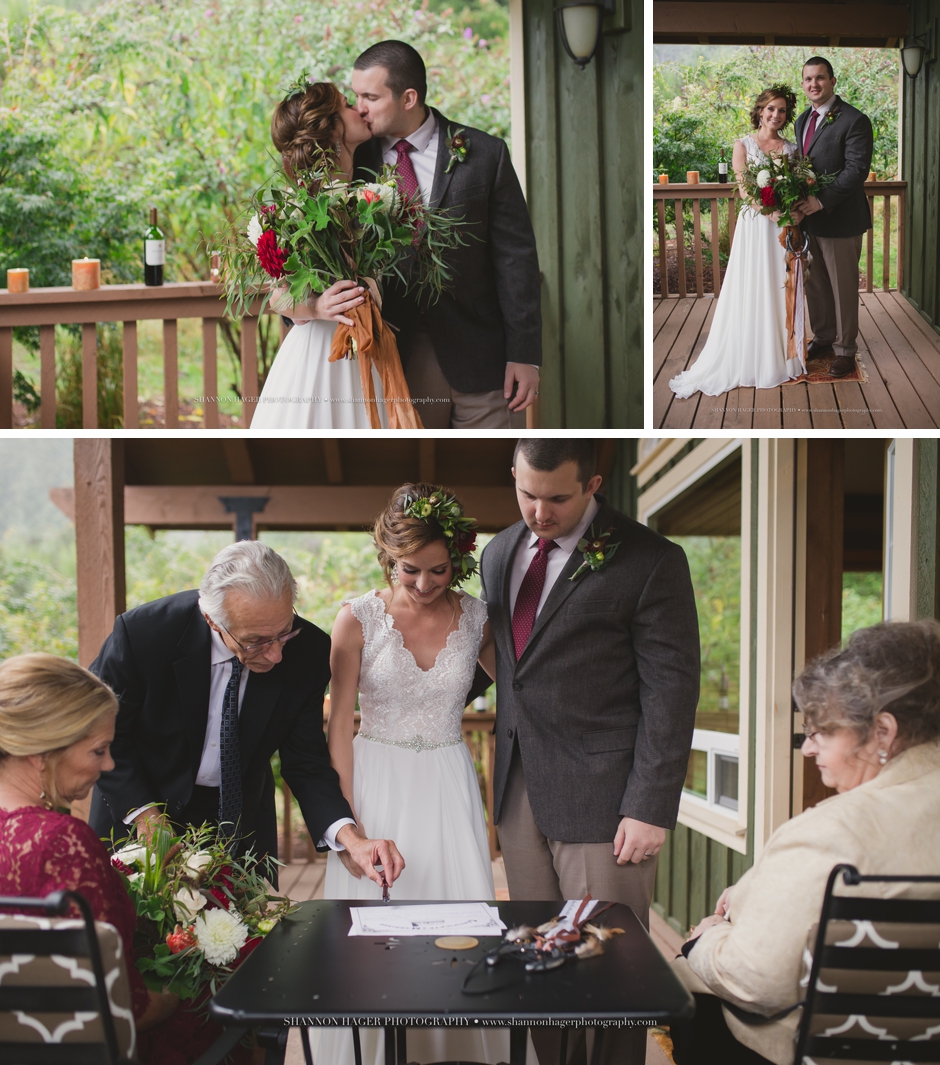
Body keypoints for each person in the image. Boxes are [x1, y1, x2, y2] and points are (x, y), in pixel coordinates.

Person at [479, 438, 701, 1065]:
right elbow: (509, 666)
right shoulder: (498, 552)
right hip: (519, 789)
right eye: (527, 494)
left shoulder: (652, 560)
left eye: (557, 498)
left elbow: (671, 690)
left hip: (609, 800)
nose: (539, 513)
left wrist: (652, 805)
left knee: (608, 966)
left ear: (594, 484)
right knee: (536, 954)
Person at [670, 620, 940, 1065]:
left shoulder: (834, 831)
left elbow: (753, 982)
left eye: (823, 732)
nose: (808, 749)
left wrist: (707, 940)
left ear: (883, 733)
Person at [314, 483, 509, 1065]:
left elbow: (526, 688)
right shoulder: (357, 619)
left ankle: (452, 1049)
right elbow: (339, 726)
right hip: (377, 781)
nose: (425, 584)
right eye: (410, 571)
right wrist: (348, 824)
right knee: (379, 927)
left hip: (448, 784)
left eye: (440, 570)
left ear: (459, 559)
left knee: (457, 917)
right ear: (387, 559)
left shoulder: (478, 618)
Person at [88, 540, 404, 892]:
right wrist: (147, 819)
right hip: (139, 810)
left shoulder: (309, 652)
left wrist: (352, 838)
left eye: (284, 633)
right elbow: (102, 733)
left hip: (238, 827)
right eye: (255, 642)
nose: (275, 657)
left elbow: (306, 763)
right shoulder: (143, 635)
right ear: (212, 619)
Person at [352, 40, 542, 429]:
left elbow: (516, 258)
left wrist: (525, 354)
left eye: (370, 96)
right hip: (397, 356)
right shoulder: (352, 162)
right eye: (356, 96)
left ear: (408, 97)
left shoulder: (486, 154)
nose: (359, 108)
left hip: (483, 354)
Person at [0, 654, 178, 1059]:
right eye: (98, 750)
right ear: (40, 753)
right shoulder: (62, 842)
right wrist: (181, 994)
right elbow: (125, 1008)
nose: (110, 764)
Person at [249, 81, 392, 430]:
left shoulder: (370, 198)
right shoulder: (289, 212)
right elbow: (278, 297)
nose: (359, 109)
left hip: (371, 347)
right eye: (347, 104)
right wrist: (316, 307)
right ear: (331, 129)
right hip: (317, 355)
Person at [669, 86, 805, 400]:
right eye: (771, 109)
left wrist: (791, 212)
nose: (775, 115)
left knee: (780, 284)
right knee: (754, 285)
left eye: (782, 110)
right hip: (757, 225)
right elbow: (745, 189)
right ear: (760, 110)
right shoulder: (742, 144)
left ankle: (780, 355)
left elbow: (798, 188)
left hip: (783, 225)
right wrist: (770, 214)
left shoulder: (792, 149)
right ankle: (751, 356)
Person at [792, 56, 874, 378]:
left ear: (832, 80)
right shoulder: (801, 120)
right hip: (810, 221)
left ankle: (845, 349)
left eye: (820, 78)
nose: (814, 84)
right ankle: (824, 337)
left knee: (842, 288)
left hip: (840, 220)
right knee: (817, 286)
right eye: (808, 79)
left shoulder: (854, 120)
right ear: (803, 83)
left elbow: (857, 170)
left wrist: (821, 202)